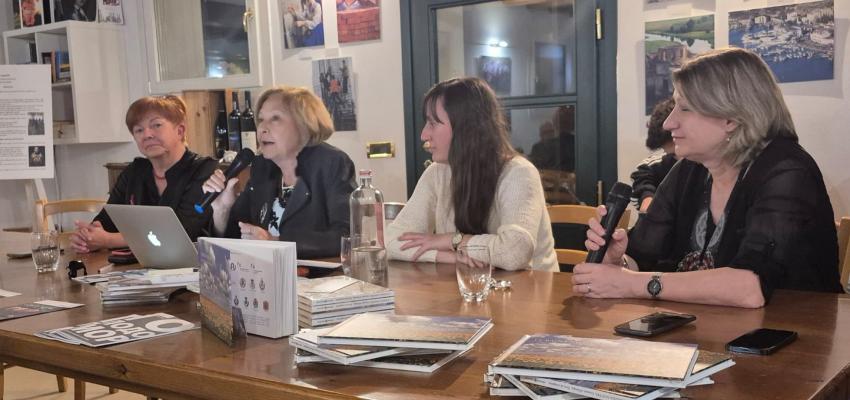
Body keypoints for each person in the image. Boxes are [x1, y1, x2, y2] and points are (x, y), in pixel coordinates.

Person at [576, 48, 842, 308]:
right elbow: (643, 256)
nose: (668, 123)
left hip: (794, 332)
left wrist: (631, 283)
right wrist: (618, 262)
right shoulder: (689, 169)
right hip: (703, 329)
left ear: (731, 118)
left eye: (685, 108)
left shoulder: (787, 171)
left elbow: (750, 288)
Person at [386, 77, 558, 271]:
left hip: (531, 288)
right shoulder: (437, 173)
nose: (424, 135)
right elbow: (392, 241)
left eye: (433, 123)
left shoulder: (518, 173)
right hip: (468, 285)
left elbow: (514, 252)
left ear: (466, 127)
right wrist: (449, 257)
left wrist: (453, 240)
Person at [202, 86, 355, 259]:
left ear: (304, 126)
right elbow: (235, 240)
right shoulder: (262, 167)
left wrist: (276, 242)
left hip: (316, 274)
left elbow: (346, 237)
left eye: (275, 119)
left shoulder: (332, 163)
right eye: (261, 119)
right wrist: (222, 210)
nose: (262, 128)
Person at [70, 96, 217, 253]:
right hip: (137, 265)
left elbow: (182, 233)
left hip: (194, 264)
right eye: (139, 130)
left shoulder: (204, 170)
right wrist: (87, 236)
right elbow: (106, 222)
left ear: (180, 131)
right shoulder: (134, 172)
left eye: (156, 125)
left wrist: (108, 240)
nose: (147, 135)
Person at [630, 98, 677, 212]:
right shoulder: (651, 167)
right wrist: (647, 198)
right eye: (673, 154)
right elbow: (643, 182)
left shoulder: (708, 166)